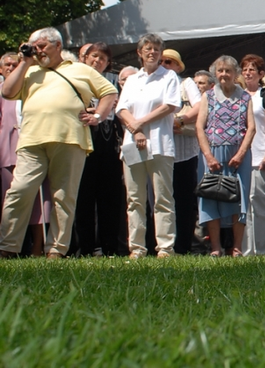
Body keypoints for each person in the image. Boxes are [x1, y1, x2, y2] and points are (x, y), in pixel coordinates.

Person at [0, 27, 117, 259]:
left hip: (70, 138)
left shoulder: (80, 69)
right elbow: (7, 91)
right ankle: (7, 246)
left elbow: (109, 92)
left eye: (42, 46)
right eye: (35, 47)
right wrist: (24, 61)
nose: (38, 51)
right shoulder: (29, 70)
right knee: (19, 191)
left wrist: (97, 116)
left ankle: (56, 249)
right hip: (32, 139)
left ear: (58, 46)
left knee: (63, 196)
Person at [116, 33, 181, 259]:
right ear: (140, 53)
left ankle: (165, 247)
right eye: (148, 48)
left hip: (160, 144)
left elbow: (170, 105)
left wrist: (140, 123)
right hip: (133, 144)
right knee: (134, 198)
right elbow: (121, 109)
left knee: (162, 197)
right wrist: (136, 129)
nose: (152, 52)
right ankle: (137, 248)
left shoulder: (169, 77)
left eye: (156, 49)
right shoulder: (133, 80)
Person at [196, 55, 255, 257]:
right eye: (220, 70)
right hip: (213, 155)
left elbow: (251, 129)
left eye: (228, 71)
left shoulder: (245, 97)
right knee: (211, 197)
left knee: (240, 200)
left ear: (235, 74)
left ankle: (236, 247)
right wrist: (208, 156)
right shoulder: (208, 97)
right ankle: (215, 248)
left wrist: (240, 154)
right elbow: (199, 127)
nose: (224, 74)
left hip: (239, 157)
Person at [74, 42, 126, 256]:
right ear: (85, 58)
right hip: (83, 143)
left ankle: (110, 247)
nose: (98, 61)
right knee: (83, 198)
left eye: (102, 58)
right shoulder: (75, 79)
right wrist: (97, 109)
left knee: (110, 199)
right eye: (94, 56)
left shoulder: (114, 82)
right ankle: (84, 247)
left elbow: (123, 107)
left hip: (109, 144)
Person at [0, 52, 52, 257]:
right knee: (9, 200)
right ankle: (10, 246)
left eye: (16, 64)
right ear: (1, 69)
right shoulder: (3, 90)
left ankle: (37, 248)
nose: (12, 67)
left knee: (39, 201)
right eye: (8, 65)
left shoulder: (32, 86)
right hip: (7, 150)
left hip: (35, 147)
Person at [162, 49, 204, 255]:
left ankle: (183, 246)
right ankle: (163, 245)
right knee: (162, 200)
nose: (165, 65)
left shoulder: (185, 84)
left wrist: (180, 120)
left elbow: (199, 106)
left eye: (169, 62)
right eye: (161, 62)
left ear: (178, 66)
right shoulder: (154, 84)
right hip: (160, 151)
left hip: (185, 152)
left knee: (185, 201)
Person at [239, 54, 265, 256]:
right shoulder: (238, 96)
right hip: (241, 158)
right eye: (244, 69)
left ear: (262, 74)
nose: (247, 73)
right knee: (244, 207)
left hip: (260, 155)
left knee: (261, 205)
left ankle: (263, 250)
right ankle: (246, 250)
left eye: (252, 69)